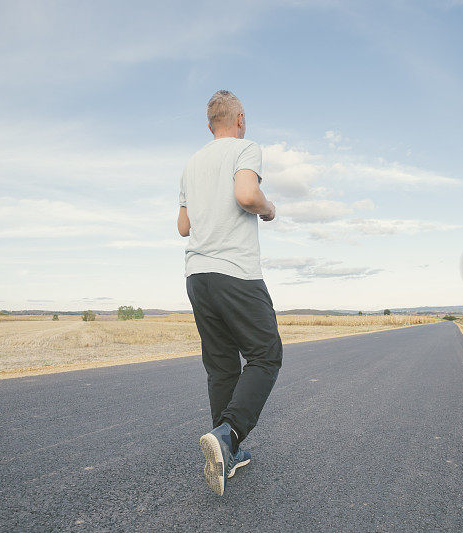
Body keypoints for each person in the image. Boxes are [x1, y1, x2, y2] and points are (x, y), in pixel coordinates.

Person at [177, 90, 283, 496]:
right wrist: (268, 207)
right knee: (265, 354)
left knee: (222, 366)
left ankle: (227, 452)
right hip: (235, 272)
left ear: (210, 126)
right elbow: (246, 195)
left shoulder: (191, 164)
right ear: (239, 119)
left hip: (197, 275)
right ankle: (229, 434)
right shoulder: (246, 148)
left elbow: (183, 227)